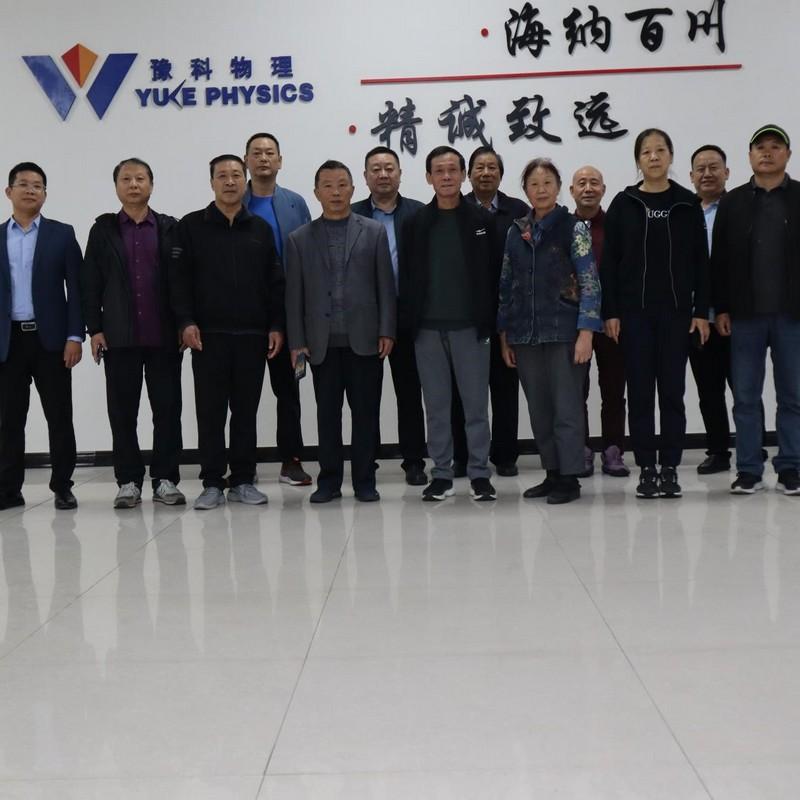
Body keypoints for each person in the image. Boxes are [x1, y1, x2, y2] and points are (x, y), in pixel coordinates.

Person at [170, 155, 285, 510]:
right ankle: (211, 482)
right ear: (212, 183)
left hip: (252, 335)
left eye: (236, 175)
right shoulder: (191, 226)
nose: (230, 181)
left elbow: (275, 282)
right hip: (208, 336)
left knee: (246, 412)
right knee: (210, 412)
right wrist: (186, 322)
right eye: (222, 176)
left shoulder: (260, 229)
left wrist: (276, 325)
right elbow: (178, 281)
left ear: (244, 180)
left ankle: (243, 480)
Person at [601, 128, 710, 499]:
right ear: (638, 159)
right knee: (641, 393)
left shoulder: (687, 203)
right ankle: (647, 467)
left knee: (673, 393)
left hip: (677, 314)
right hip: (634, 315)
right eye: (646, 151)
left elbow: (701, 263)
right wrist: (611, 312)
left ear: (670, 156)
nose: (653, 157)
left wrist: (700, 311)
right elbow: (609, 265)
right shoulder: (624, 203)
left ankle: (671, 467)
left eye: (660, 150)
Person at [285, 160, 396, 503]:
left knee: (366, 414)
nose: (336, 192)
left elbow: (385, 286)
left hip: (365, 339)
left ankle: (365, 480)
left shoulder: (373, 232)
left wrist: (387, 330)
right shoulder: (299, 239)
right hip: (321, 343)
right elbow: (294, 296)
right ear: (316, 192)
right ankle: (329, 481)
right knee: (327, 416)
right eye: (328, 186)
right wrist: (297, 341)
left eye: (342, 185)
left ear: (352, 189)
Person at [81, 158, 184, 508]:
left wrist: (184, 323)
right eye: (126, 179)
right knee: (123, 413)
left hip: (163, 336)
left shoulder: (169, 227)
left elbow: (183, 282)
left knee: (167, 411)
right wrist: (94, 329)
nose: (134, 184)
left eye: (140, 178)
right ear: (116, 187)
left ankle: (166, 479)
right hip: (119, 336)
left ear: (151, 185)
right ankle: (128, 481)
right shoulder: (103, 230)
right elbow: (90, 283)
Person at [498, 158, 602, 504]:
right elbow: (506, 284)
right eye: (534, 184)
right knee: (539, 409)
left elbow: (589, 282)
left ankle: (570, 478)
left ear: (558, 188)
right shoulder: (516, 231)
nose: (540, 190)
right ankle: (552, 472)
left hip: (564, 332)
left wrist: (586, 331)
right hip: (525, 334)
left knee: (566, 408)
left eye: (547, 184)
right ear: (525, 190)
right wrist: (504, 333)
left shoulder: (574, 228)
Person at [399, 146, 499, 502]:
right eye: (439, 171)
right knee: (437, 407)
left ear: (463, 175)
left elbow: (494, 275)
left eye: (452, 170)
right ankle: (441, 473)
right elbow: (407, 277)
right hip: (427, 329)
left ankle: (479, 474)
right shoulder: (415, 223)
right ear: (429, 177)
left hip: (471, 328)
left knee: (476, 408)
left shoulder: (482, 221)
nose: (446, 177)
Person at [712, 124, 800, 495]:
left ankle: (791, 467)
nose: (767, 152)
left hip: (792, 316)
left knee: (793, 396)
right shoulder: (732, 202)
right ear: (749, 156)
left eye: (775, 146)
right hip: (745, 316)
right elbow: (719, 261)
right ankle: (748, 469)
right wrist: (721, 308)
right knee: (746, 397)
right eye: (760, 147)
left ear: (788, 155)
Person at [0, 162, 83, 510]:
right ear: (9, 192)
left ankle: (63, 486)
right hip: (8, 342)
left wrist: (75, 336)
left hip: (51, 341)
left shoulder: (61, 234)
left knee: (59, 416)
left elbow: (76, 289)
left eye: (38, 185)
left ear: (45, 194)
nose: (31, 190)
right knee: (9, 420)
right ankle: (8, 489)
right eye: (23, 184)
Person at [450, 146, 529, 478]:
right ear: (468, 174)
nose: (485, 173)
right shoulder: (454, 208)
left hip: (507, 314)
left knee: (505, 387)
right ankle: (463, 455)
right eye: (479, 167)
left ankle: (505, 455)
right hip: (466, 315)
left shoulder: (518, 210)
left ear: (501, 174)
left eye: (492, 167)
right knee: (463, 390)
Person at [351, 146, 427, 486]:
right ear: (365, 176)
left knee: (409, 392)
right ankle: (367, 461)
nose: (383, 174)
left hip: (408, 316)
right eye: (376, 169)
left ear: (399, 174)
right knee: (365, 394)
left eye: (389, 168)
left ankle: (414, 461)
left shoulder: (419, 213)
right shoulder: (350, 214)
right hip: (365, 316)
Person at [243, 132, 313, 486]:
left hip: (287, 311)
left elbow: (310, 257)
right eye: (256, 153)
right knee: (243, 393)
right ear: (246, 161)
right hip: (246, 313)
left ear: (280, 160)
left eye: (270, 152)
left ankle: (292, 460)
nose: (263, 158)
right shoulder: (234, 201)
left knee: (288, 390)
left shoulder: (295, 203)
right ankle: (243, 463)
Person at [570, 165, 629, 479]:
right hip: (574, 322)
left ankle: (613, 450)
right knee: (575, 390)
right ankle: (580, 449)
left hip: (611, 320)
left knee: (613, 389)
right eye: (582, 183)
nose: (588, 188)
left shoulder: (616, 227)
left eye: (594, 183)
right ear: (572, 191)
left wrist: (613, 311)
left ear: (603, 190)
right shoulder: (563, 227)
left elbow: (623, 272)